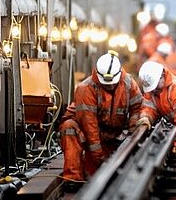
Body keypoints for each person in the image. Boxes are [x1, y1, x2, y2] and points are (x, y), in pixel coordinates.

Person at [60, 51, 144, 189]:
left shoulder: (128, 83)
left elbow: (137, 107)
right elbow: (89, 126)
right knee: (68, 127)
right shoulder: (86, 88)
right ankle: (73, 178)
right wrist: (99, 158)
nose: (109, 86)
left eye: (112, 84)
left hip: (113, 133)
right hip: (89, 134)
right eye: (106, 84)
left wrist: (133, 127)